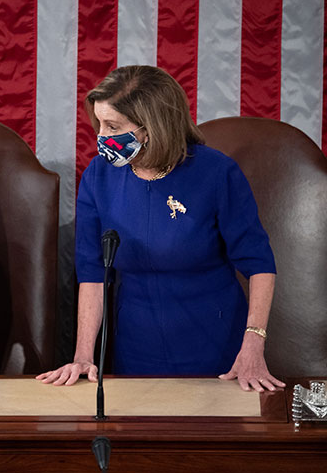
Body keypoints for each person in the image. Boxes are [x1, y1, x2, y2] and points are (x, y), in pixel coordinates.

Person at [38, 65, 280, 392]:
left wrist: (253, 344)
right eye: (99, 124)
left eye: (112, 126)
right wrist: (83, 355)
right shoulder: (98, 176)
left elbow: (259, 264)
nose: (101, 137)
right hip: (136, 348)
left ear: (150, 128)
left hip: (218, 346)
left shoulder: (216, 172)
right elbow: (92, 274)